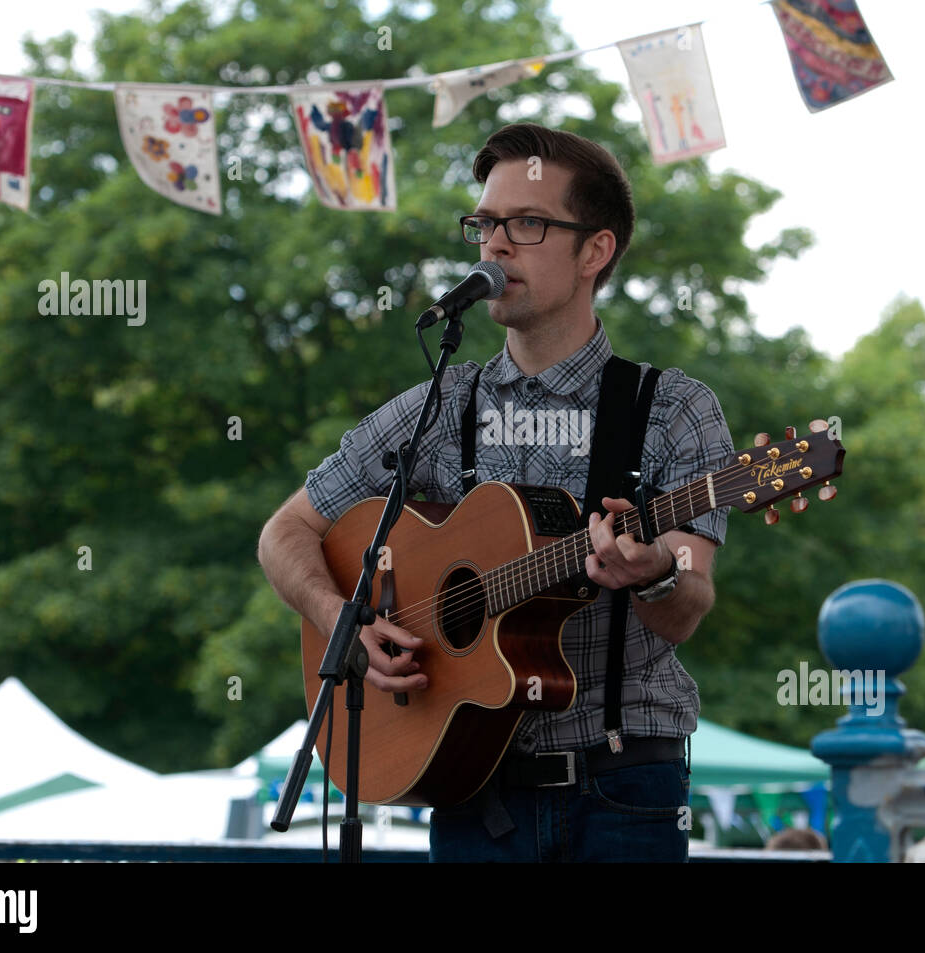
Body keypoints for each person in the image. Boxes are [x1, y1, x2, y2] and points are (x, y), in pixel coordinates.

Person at [257, 122, 734, 862]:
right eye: (484, 224)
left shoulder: (672, 408)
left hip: (622, 788)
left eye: (528, 223)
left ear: (595, 251)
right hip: (467, 785)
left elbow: (686, 610)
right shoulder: (439, 409)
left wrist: (656, 574)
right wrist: (342, 620)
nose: (494, 245)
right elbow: (284, 531)